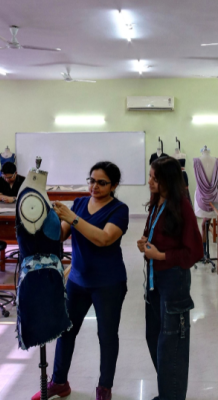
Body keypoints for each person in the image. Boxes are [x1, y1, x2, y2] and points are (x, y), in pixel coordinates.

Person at [35, 162, 131, 400]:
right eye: (92, 180)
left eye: (101, 183)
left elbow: (104, 238)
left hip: (108, 283)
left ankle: (104, 388)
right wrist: (43, 215)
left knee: (107, 336)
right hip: (77, 281)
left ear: (114, 185)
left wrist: (73, 218)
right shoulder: (79, 203)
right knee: (66, 331)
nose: (94, 186)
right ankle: (59, 382)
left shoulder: (119, 210)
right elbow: (61, 234)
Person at [137, 156, 203, 400]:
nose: (150, 182)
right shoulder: (156, 202)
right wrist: (145, 244)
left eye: (155, 178)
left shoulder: (182, 206)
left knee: (171, 344)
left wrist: (161, 255)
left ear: (168, 180)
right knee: (154, 337)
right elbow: (156, 236)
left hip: (173, 281)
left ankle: (172, 396)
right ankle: (168, 392)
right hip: (155, 280)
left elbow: (195, 252)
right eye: (150, 176)